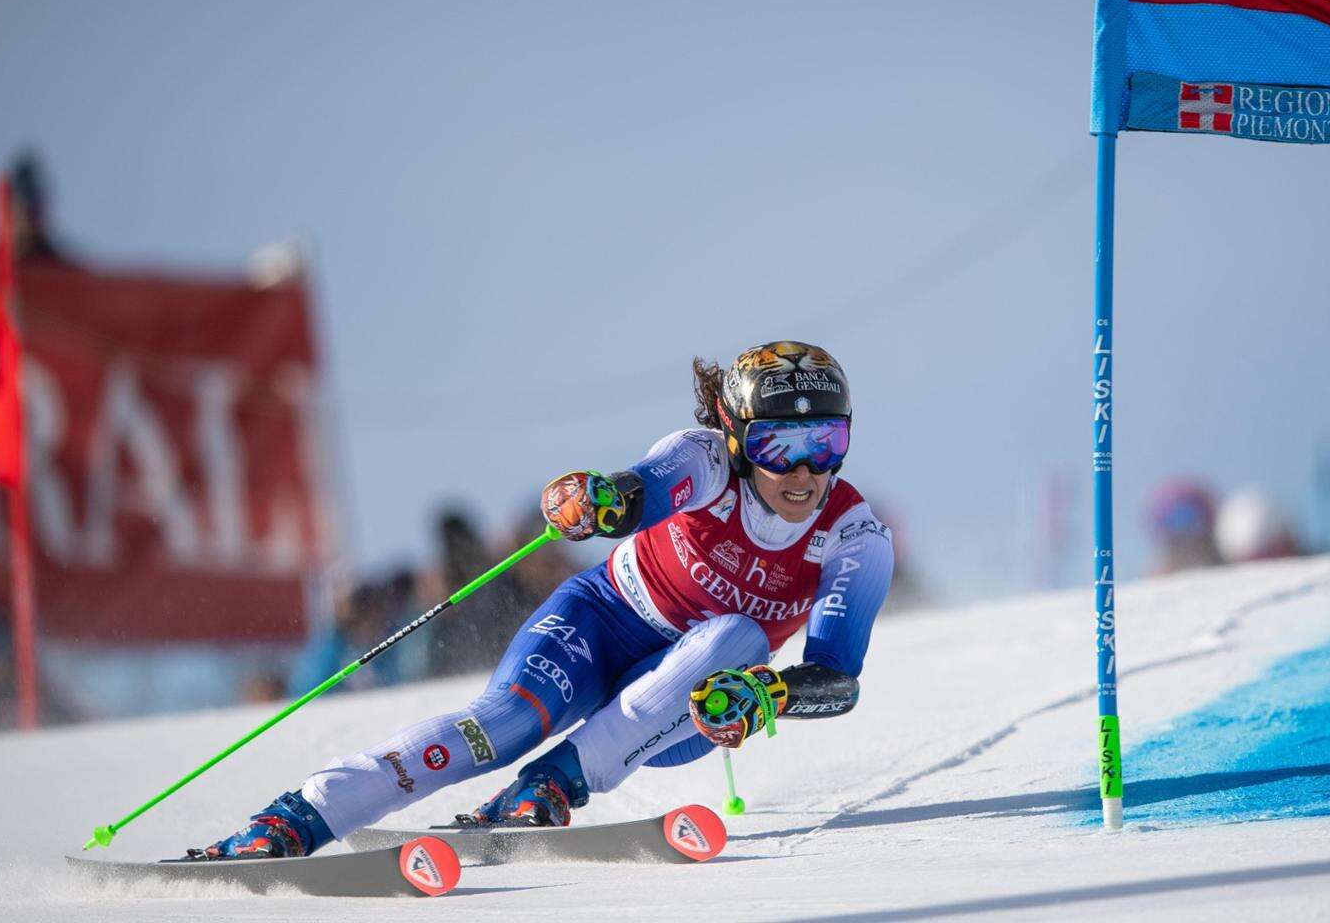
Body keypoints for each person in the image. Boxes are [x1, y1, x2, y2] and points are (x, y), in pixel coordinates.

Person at [193, 341, 895, 859]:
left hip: (688, 704)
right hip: (601, 621)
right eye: (779, 445)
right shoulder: (705, 459)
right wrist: (593, 501)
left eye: (827, 442)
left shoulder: (856, 536)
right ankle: (294, 820)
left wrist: (768, 695)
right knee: (500, 725)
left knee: (738, 638)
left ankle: (551, 784)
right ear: (738, 436)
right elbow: (640, 491)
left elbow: (837, 678)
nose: (804, 471)